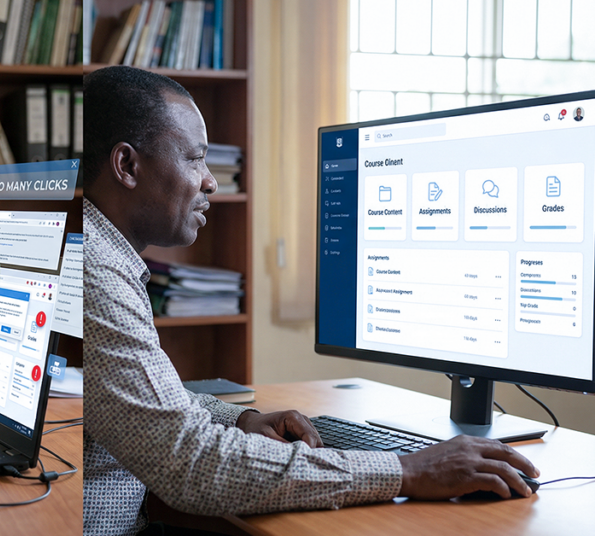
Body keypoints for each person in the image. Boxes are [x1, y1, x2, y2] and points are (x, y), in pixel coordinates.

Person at [81, 65, 540, 536]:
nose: (210, 182)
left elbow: (152, 407)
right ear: (127, 166)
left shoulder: (91, 249)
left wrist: (241, 418)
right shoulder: (97, 274)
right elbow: (192, 464)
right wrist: (406, 471)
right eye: (195, 159)